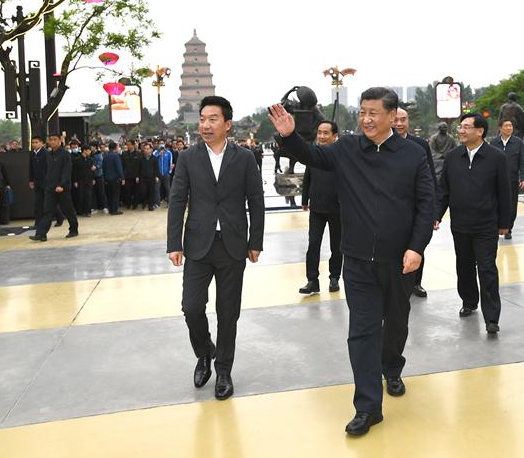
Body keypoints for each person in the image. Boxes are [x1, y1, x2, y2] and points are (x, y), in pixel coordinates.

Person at [268, 87, 434, 437]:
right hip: (357, 260)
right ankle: (368, 407)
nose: (366, 119)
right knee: (362, 332)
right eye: (362, 113)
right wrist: (289, 136)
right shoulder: (346, 149)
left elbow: (426, 205)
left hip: (399, 261)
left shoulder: (413, 154)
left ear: (392, 115)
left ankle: (392, 366)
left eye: (374, 113)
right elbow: (312, 155)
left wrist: (417, 247)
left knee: (397, 323)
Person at [167, 96, 265, 402]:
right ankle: (204, 352)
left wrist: (255, 241)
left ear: (227, 124)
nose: (205, 125)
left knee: (228, 312)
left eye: (212, 119)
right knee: (192, 307)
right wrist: (174, 243)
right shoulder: (188, 157)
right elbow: (177, 200)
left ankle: (223, 370)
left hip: (233, 246)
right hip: (198, 245)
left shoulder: (244, 158)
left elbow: (256, 200)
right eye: (202, 119)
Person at [436, 114, 511, 334]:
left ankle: (492, 318)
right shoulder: (452, 157)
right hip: (460, 223)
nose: (461, 131)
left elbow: (505, 192)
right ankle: (469, 301)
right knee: (464, 266)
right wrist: (436, 215)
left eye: (466, 127)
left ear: (480, 131)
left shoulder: (496, 157)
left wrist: (505, 222)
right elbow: (444, 190)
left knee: (487, 269)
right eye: (460, 127)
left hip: (486, 224)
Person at [393, 107, 437, 298]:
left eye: (403, 119)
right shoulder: (382, 143)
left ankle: (416, 283)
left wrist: (434, 212)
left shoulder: (419, 145)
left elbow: (430, 177)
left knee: (417, 244)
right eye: (396, 120)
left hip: (416, 205)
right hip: (393, 205)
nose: (399, 124)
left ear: (408, 121)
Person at [298, 120, 342, 295]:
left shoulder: (341, 155)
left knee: (336, 246)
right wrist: (304, 199)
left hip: (337, 208)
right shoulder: (313, 154)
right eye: (319, 132)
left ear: (334, 136)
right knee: (313, 244)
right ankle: (312, 280)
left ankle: (334, 277)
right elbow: (308, 177)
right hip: (316, 208)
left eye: (326, 133)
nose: (321, 136)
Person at [30, 133, 79, 241]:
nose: (52, 142)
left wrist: (62, 185)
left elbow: (66, 171)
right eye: (50, 140)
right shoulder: (48, 155)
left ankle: (74, 229)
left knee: (68, 210)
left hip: (62, 188)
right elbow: (46, 171)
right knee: (47, 211)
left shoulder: (65, 154)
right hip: (50, 187)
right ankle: (41, 234)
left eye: (54, 139)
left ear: (60, 140)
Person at [490, 118, 524, 239]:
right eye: (506, 126)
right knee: (495, 203)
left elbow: (522, 161)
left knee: (511, 205)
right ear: (500, 128)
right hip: (496, 179)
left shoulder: (518, 142)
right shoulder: (494, 143)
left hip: (512, 179)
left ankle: (508, 228)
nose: (509, 128)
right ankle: (496, 227)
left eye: (510, 126)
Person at [137, 142, 160, 211]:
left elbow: (156, 168)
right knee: (143, 191)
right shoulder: (140, 158)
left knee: (151, 192)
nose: (146, 150)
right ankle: (144, 203)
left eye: (148, 148)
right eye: (145, 148)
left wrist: (157, 176)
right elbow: (138, 168)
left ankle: (151, 206)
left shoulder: (154, 158)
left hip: (151, 177)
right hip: (142, 178)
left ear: (151, 149)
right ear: (143, 149)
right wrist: (137, 176)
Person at [102, 142, 124, 215]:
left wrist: (104, 178)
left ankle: (110, 208)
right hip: (115, 178)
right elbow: (119, 168)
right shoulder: (116, 156)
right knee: (115, 194)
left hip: (107, 178)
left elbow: (103, 167)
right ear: (115, 148)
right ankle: (114, 209)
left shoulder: (105, 156)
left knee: (110, 194)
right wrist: (122, 177)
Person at [121, 140, 140, 209]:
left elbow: (139, 166)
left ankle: (135, 204)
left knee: (135, 191)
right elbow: (122, 165)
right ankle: (128, 204)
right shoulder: (124, 154)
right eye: (127, 145)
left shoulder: (138, 154)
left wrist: (138, 176)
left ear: (133, 145)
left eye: (129, 145)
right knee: (127, 191)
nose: (128, 146)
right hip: (127, 176)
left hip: (135, 176)